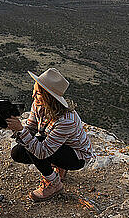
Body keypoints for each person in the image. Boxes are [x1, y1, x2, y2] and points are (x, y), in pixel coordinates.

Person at [6, 68, 94, 202]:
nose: (33, 96)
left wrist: (21, 131)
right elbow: (31, 127)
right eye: (34, 90)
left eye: (38, 93)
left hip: (77, 157)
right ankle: (58, 167)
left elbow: (42, 152)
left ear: (49, 97)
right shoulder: (38, 104)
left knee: (37, 144)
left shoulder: (66, 120)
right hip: (57, 146)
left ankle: (54, 183)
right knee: (18, 152)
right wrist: (17, 129)